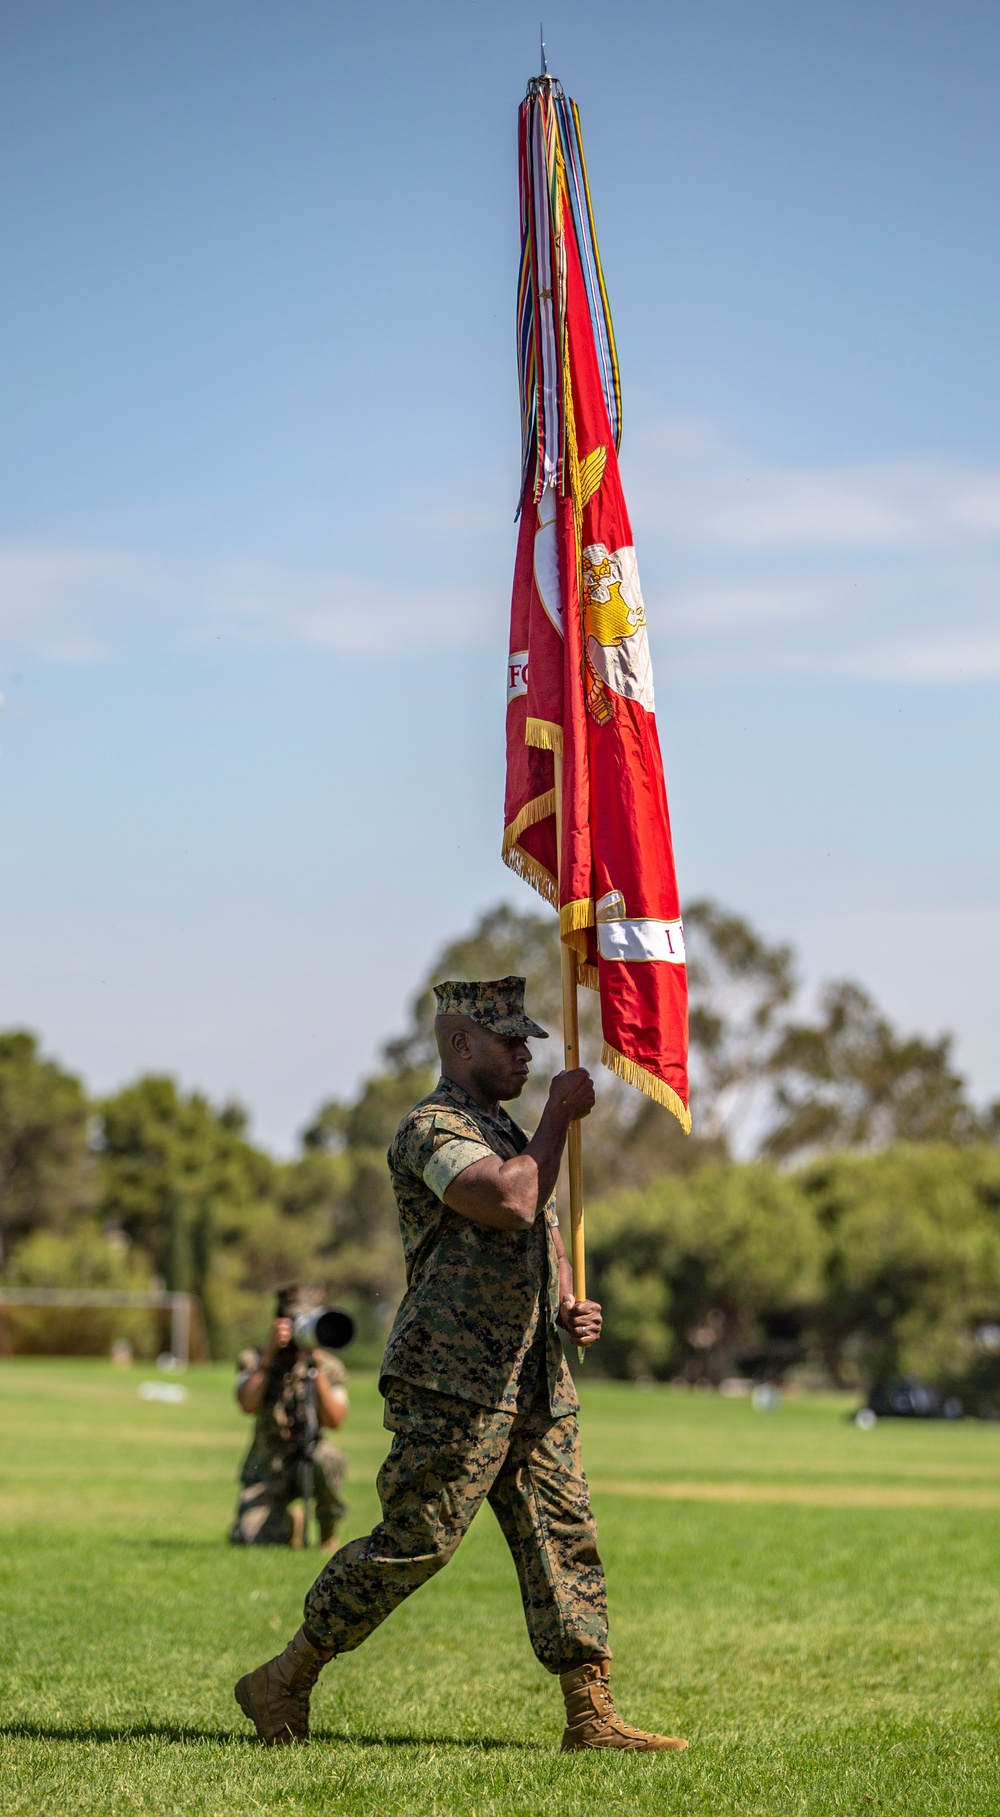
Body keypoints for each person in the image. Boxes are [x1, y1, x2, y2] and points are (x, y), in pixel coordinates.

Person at [235, 977, 688, 1755]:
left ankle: (591, 1711)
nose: (524, 1052)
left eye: (527, 1039)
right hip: (454, 1381)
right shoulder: (431, 1129)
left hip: (535, 1374)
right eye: (508, 1039)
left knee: (564, 1535)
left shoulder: (512, 1133)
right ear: (459, 1044)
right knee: (418, 1539)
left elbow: (537, 1238)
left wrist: (570, 1302)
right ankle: (283, 1676)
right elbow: (508, 1202)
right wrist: (555, 1118)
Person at [229, 1285, 349, 1552]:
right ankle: (287, 1523)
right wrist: (268, 1358)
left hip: (309, 1458)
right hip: (267, 1467)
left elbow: (336, 1420)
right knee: (248, 1539)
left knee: (328, 1458)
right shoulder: (254, 1358)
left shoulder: (328, 1366)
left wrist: (315, 1370)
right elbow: (246, 1404)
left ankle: (328, 1533)